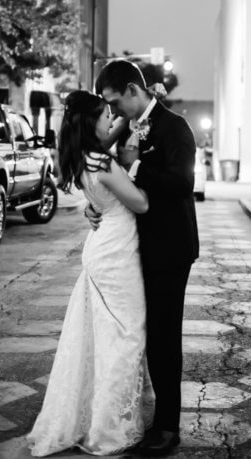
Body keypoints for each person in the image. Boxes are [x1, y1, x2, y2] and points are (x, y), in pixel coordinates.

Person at [26, 90, 155, 457]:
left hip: (100, 247)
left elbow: (109, 138)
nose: (111, 120)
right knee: (127, 335)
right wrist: (135, 167)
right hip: (116, 253)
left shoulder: (83, 157)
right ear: (90, 122)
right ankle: (109, 426)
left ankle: (95, 416)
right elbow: (141, 203)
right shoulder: (103, 163)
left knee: (100, 335)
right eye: (105, 115)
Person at [92, 59, 199, 457]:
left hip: (170, 248)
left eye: (116, 102)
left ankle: (168, 428)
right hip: (135, 247)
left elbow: (182, 183)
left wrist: (134, 164)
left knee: (164, 336)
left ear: (135, 92)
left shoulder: (175, 127)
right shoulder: (125, 127)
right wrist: (98, 204)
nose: (113, 110)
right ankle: (148, 416)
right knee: (145, 333)